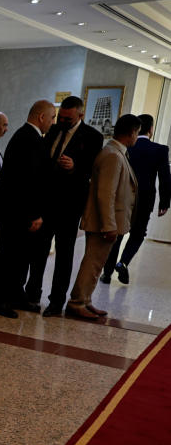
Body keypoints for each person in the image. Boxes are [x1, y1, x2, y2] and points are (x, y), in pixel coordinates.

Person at [24, 96, 104, 317]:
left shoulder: (92, 137)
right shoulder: (53, 130)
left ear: (80, 115)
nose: (63, 121)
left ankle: (56, 301)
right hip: (46, 202)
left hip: (69, 206)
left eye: (69, 118)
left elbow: (92, 171)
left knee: (64, 255)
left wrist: (75, 167)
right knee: (38, 251)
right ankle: (32, 293)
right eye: (61, 117)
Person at [66, 113, 141, 320]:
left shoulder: (115, 152)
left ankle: (86, 300)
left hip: (107, 222)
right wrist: (109, 225)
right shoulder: (112, 155)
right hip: (103, 223)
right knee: (92, 263)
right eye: (137, 133)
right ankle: (77, 302)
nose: (137, 137)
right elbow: (105, 193)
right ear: (132, 133)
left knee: (96, 264)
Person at [0, 100, 56, 318]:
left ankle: (16, 295)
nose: (53, 123)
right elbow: (28, 181)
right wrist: (35, 214)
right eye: (52, 117)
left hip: (17, 209)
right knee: (8, 256)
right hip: (15, 211)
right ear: (41, 117)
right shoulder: (28, 138)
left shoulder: (29, 136)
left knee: (20, 257)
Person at [101, 113, 171, 284]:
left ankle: (107, 273)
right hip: (145, 199)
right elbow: (164, 177)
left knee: (117, 234)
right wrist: (164, 202)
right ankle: (123, 262)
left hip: (123, 198)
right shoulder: (160, 150)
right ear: (151, 129)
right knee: (138, 233)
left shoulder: (126, 146)